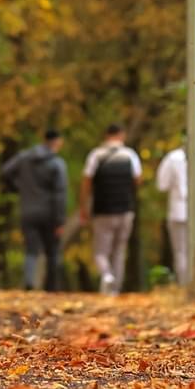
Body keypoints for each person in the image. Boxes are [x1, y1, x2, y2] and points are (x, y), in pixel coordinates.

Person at [79, 124, 143, 295]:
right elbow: (137, 180)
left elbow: (86, 182)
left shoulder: (96, 156)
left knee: (100, 251)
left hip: (103, 209)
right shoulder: (130, 155)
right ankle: (115, 289)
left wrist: (84, 206)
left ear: (106, 135)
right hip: (125, 209)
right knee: (119, 250)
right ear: (121, 135)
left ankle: (107, 275)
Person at [2, 129, 68, 291]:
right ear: (57, 142)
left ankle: (29, 282)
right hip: (49, 213)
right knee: (52, 251)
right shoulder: (57, 163)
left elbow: (5, 172)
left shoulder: (24, 157)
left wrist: (18, 188)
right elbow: (60, 194)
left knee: (31, 249)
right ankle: (51, 288)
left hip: (27, 210)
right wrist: (60, 220)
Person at [155, 144, 195, 287]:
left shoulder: (172, 158)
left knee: (181, 252)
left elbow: (162, 185)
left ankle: (185, 285)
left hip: (178, 211)